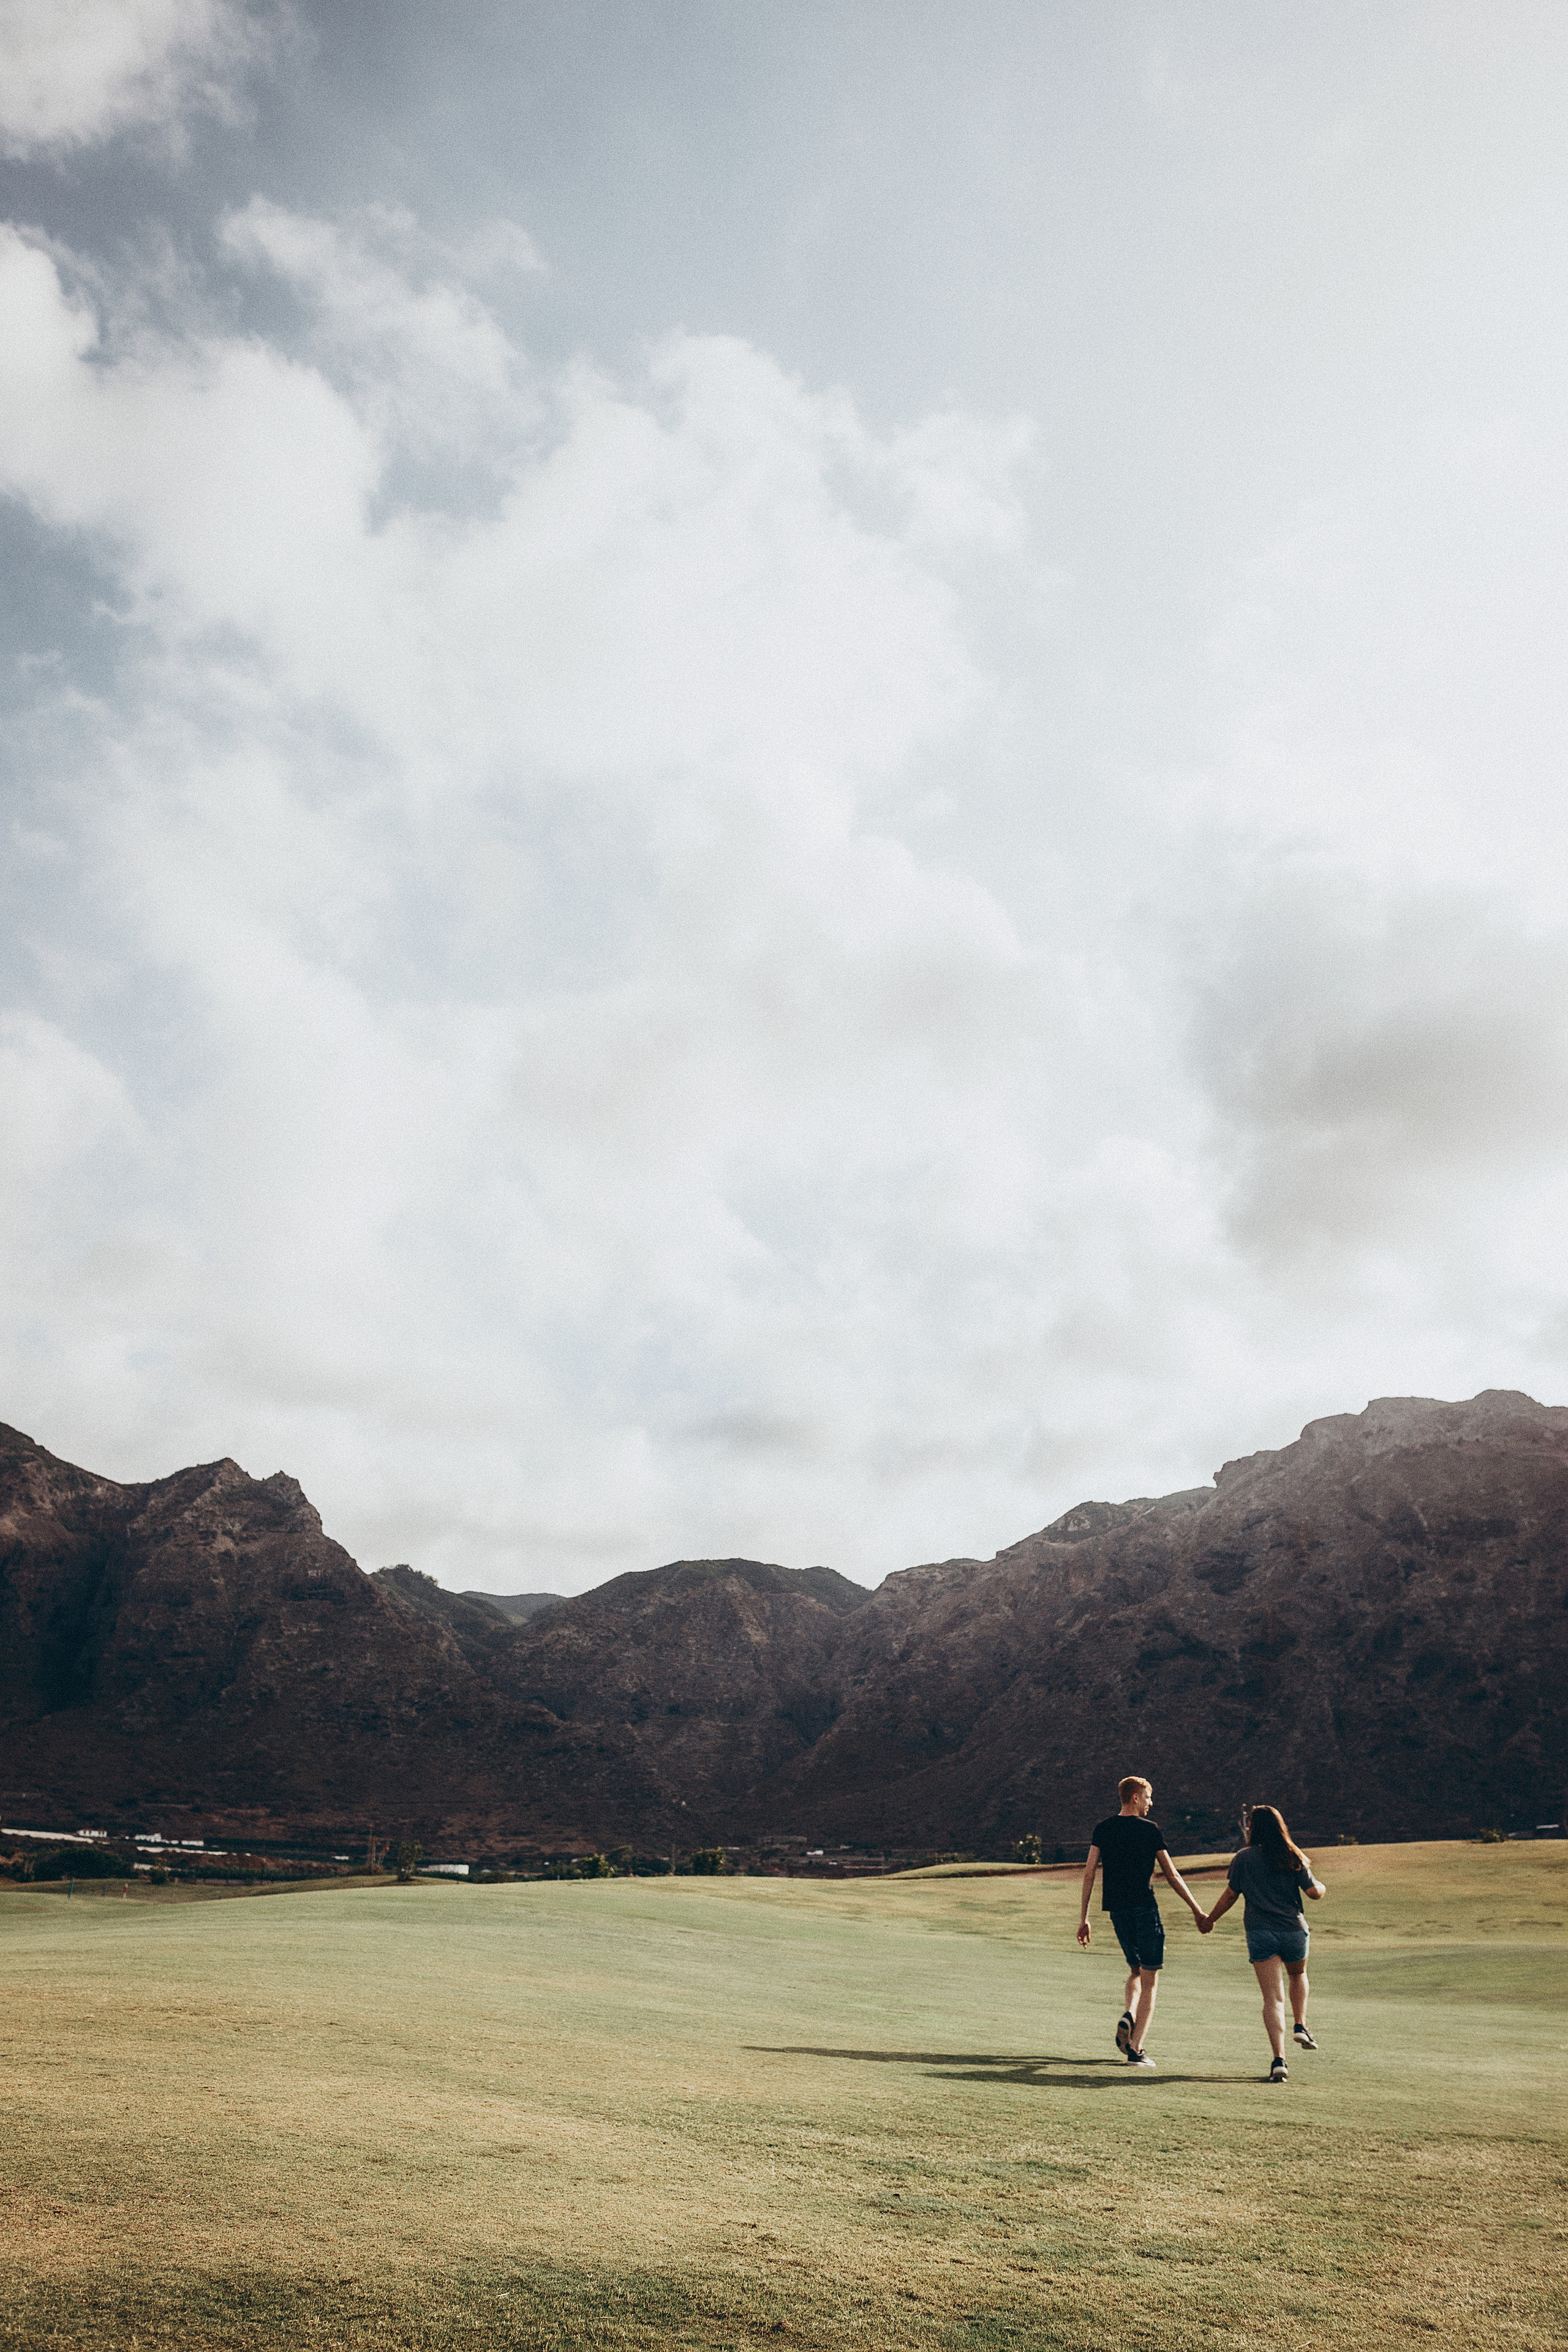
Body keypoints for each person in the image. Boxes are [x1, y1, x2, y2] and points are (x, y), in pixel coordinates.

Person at [1076, 1775, 1207, 2069]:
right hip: (1145, 1911)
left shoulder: (1103, 1829)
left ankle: (1128, 2013)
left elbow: (1088, 1874)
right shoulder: (1150, 1830)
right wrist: (1197, 1911)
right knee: (1150, 1979)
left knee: (1135, 1970)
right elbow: (1172, 1875)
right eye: (1149, 1796)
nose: (1152, 1802)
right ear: (1135, 1797)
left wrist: (1083, 1918)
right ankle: (1136, 2050)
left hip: (1117, 1912)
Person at [1198, 1803, 1325, 2081]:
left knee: (1273, 1999)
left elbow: (1231, 1895)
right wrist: (1323, 1886)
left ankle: (1279, 2061)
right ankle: (1301, 2025)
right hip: (1294, 1930)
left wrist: (1210, 1920)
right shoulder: (1293, 1855)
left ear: (1253, 1828)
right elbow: (1314, 1893)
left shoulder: (1244, 1858)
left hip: (1260, 1933)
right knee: (1298, 1974)